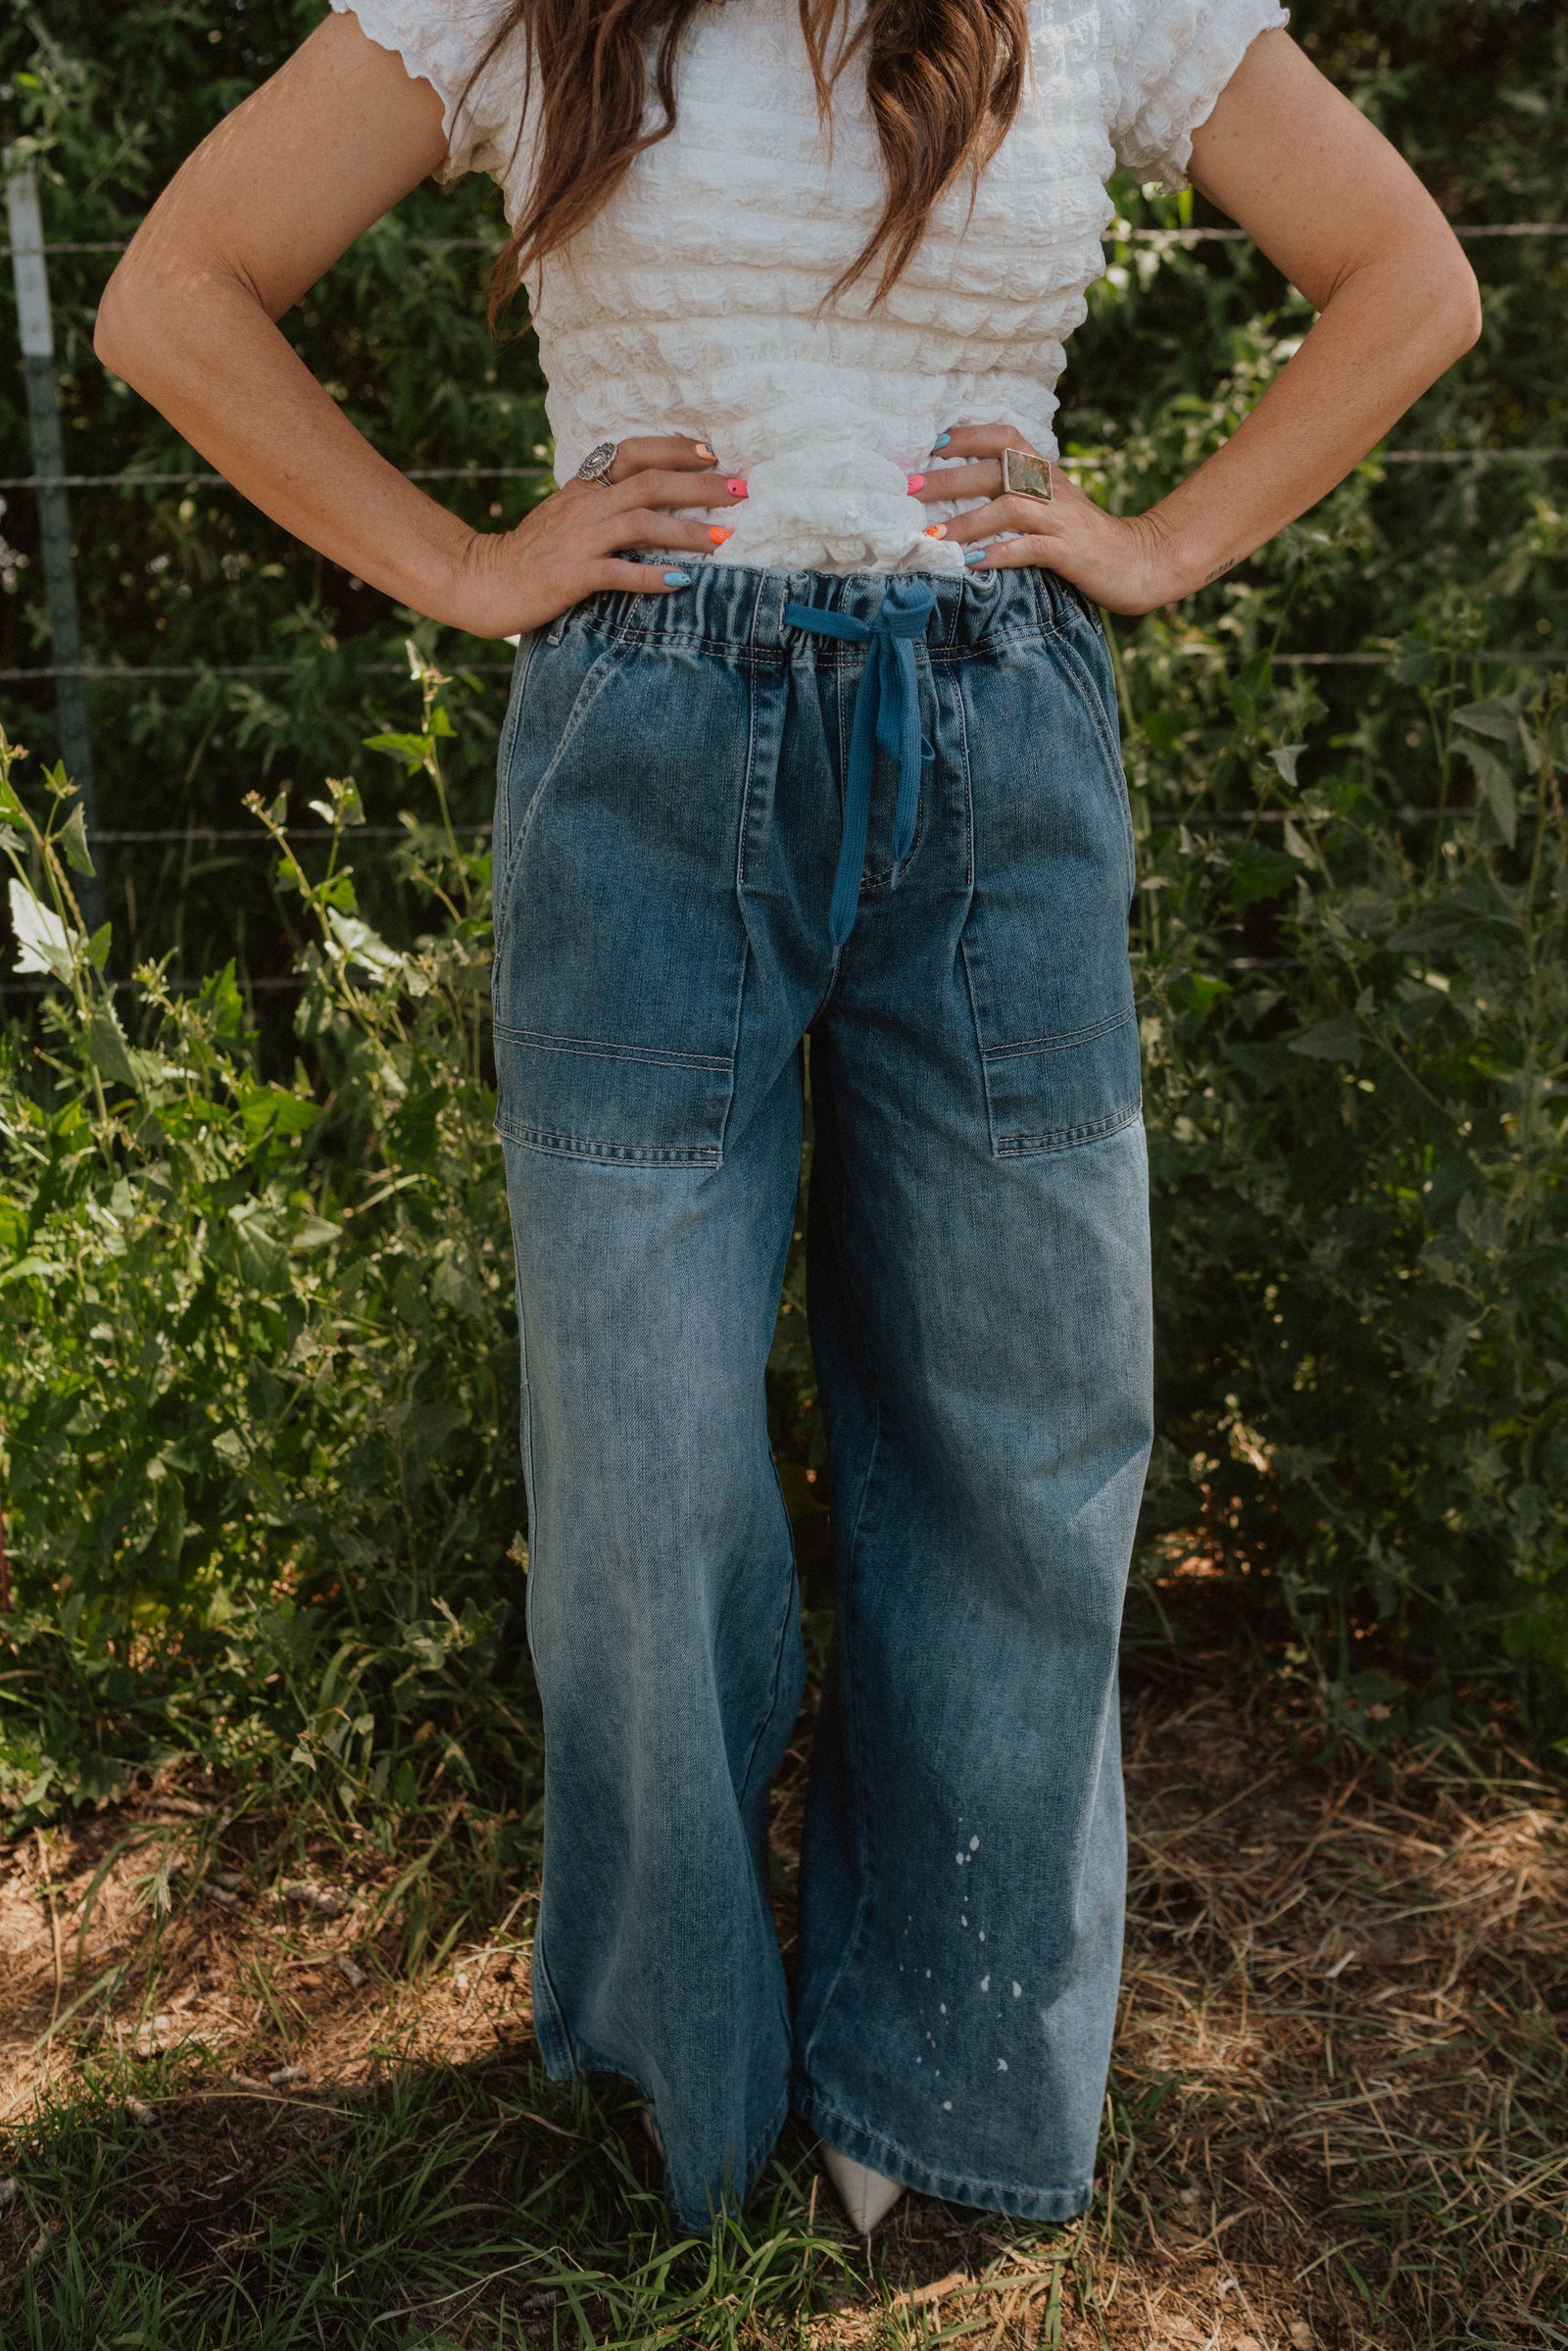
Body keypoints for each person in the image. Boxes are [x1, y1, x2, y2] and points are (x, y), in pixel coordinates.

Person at [95, 0, 1479, 2237]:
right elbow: (174, 291)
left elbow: (1409, 273)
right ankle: (693, 2070)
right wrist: (463, 564)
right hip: (648, 762)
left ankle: (938, 2089)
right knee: (640, 1469)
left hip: (995, 750)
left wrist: (1156, 540)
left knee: (1022, 1441)